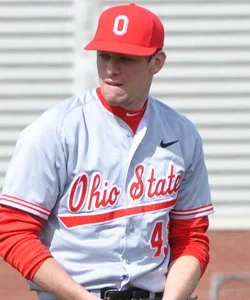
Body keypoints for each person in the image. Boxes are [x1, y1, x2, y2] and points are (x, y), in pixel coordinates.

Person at [0, 3, 214, 300]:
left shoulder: (182, 135)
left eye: (126, 58)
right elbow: (13, 231)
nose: (111, 68)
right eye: (104, 56)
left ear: (157, 62)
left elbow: (190, 237)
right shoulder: (55, 131)